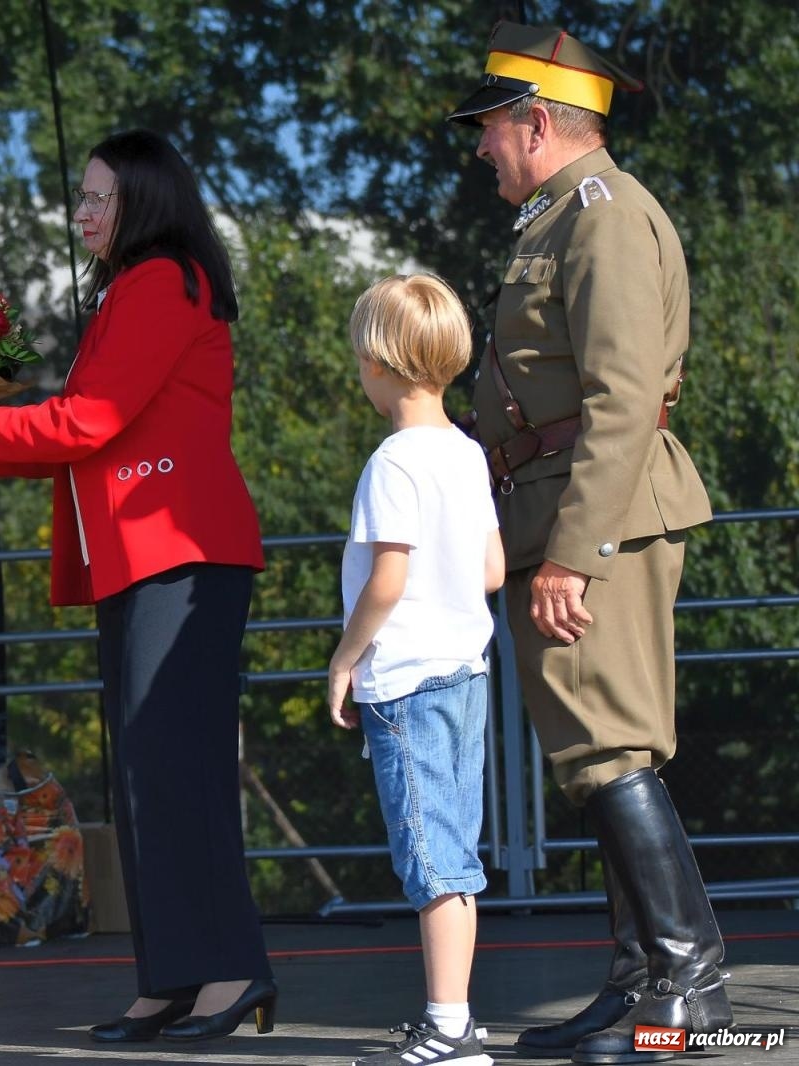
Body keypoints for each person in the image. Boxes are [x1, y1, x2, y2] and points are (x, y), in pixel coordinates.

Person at [0, 129, 276, 1043]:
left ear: (144, 199)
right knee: (149, 775)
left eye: (99, 197)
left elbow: (88, 420)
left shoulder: (161, 281)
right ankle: (177, 975)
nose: (83, 213)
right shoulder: (140, 286)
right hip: (151, 557)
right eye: (84, 197)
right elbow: (89, 430)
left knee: (175, 772)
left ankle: (230, 969)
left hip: (177, 555)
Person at [448, 23, 729, 1063]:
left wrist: (573, 552)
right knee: (592, 759)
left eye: (489, 127)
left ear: (536, 122)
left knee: (608, 749)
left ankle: (693, 985)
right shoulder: (560, 217)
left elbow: (621, 403)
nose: (481, 147)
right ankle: (638, 982)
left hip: (594, 518)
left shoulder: (602, 217)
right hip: (561, 509)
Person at [328, 275, 504, 1066]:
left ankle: (449, 1028)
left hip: (405, 681)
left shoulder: (392, 462)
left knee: (431, 861)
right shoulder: (465, 452)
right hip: (466, 673)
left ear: (377, 362)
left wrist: (345, 655)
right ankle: (454, 1019)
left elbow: (387, 579)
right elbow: (492, 569)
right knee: (455, 856)